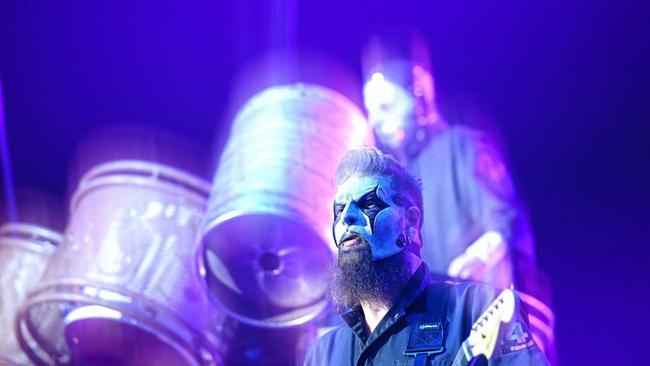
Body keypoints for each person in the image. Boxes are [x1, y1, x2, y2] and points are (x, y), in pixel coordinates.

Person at [304, 147, 549, 365]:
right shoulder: (323, 353)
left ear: (410, 223)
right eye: (339, 210)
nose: (346, 217)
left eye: (368, 203)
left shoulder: (476, 310)